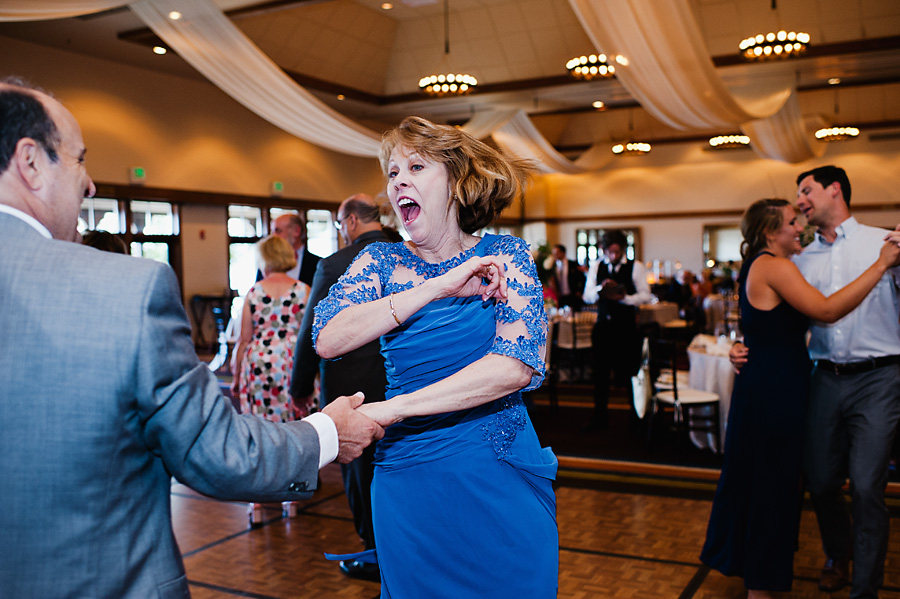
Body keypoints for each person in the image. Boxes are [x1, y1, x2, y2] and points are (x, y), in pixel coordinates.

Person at [0, 78, 384, 598]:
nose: (89, 185)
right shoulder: (124, 289)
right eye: (80, 160)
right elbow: (215, 450)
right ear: (29, 163)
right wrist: (328, 432)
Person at [313, 116, 558, 597]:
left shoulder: (505, 254)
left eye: (416, 166)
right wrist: (434, 288)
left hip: (497, 473)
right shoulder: (381, 262)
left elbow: (515, 365)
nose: (398, 180)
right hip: (410, 484)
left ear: (454, 181)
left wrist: (392, 409)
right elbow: (328, 338)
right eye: (392, 172)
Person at [700, 198, 900, 599]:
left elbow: (766, 325)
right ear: (771, 231)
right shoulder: (775, 265)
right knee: (772, 488)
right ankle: (762, 584)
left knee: (770, 485)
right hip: (774, 394)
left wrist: (745, 345)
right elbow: (825, 312)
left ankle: (761, 576)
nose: (800, 227)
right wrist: (880, 265)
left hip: (775, 385)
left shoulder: (766, 262)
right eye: (792, 222)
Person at [290, 193, 392, 583]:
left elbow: (312, 333)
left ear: (349, 222)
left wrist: (300, 385)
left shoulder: (335, 264)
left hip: (354, 387)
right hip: (405, 382)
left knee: (360, 470)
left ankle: (373, 552)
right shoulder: (411, 256)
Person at [232, 234, 310, 422]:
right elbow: (309, 334)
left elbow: (244, 339)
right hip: (293, 358)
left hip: (261, 358)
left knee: (262, 419)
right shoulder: (303, 290)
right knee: (296, 417)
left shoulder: (254, 292)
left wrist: (236, 373)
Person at [582, 229, 652, 429]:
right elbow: (587, 296)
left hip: (627, 329)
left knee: (631, 373)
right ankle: (599, 417)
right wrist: (600, 289)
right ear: (604, 250)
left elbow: (645, 296)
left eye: (617, 252)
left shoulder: (635, 267)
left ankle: (636, 417)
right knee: (600, 375)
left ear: (623, 250)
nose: (613, 256)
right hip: (603, 327)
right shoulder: (597, 265)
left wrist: (625, 298)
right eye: (610, 252)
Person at [260, 212, 320, 287]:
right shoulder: (267, 262)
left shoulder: (318, 264)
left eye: (278, 231)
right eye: (272, 232)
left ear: (296, 231)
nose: (273, 236)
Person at [551, 243, 585, 309]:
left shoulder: (573, 264)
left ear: (563, 253)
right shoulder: (554, 266)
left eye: (557, 253)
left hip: (573, 296)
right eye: (553, 253)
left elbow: (582, 278)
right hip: (561, 297)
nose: (554, 255)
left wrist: (579, 291)